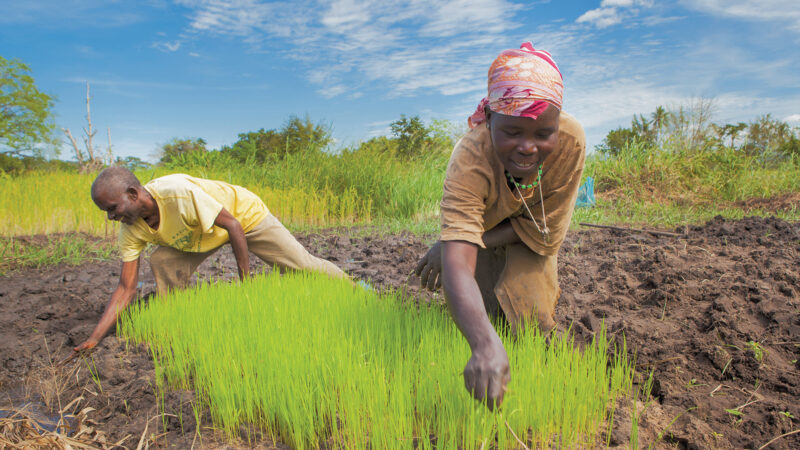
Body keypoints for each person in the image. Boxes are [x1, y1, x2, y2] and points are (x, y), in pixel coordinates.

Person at [415, 43, 586, 410]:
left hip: (533, 237)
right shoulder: (469, 159)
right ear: (489, 120)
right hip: (484, 228)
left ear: (557, 124)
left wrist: (456, 248)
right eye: (511, 132)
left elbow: (545, 232)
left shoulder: (571, 142)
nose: (528, 147)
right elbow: (459, 263)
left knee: (530, 327)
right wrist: (482, 342)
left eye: (543, 134)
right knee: (484, 322)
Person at [73, 168, 347, 353]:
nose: (110, 218)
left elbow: (233, 226)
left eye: (112, 208)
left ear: (133, 194)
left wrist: (246, 284)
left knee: (303, 264)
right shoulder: (130, 228)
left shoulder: (178, 193)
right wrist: (95, 338)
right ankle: (176, 322)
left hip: (243, 218)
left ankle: (355, 292)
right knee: (163, 261)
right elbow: (126, 287)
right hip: (197, 235)